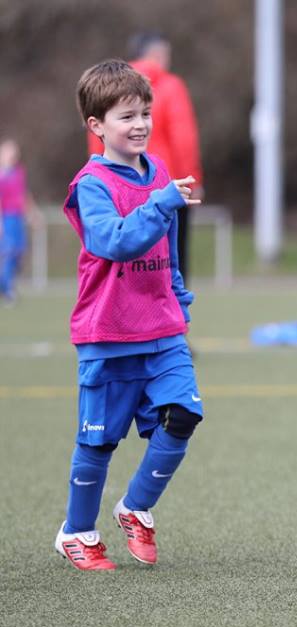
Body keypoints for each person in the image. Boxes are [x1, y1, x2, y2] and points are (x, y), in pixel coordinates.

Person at [55, 59, 202, 571]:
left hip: (163, 328)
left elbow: (168, 246)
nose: (140, 125)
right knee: (99, 442)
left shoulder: (157, 171)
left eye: (145, 113)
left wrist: (177, 294)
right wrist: (162, 203)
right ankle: (77, 533)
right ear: (96, 125)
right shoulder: (91, 185)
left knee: (184, 415)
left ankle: (136, 508)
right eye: (127, 116)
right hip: (109, 333)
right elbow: (113, 241)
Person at [87, 32, 203, 285]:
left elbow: (98, 138)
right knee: (172, 256)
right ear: (157, 55)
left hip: (118, 183)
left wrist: (98, 173)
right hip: (168, 184)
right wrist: (192, 179)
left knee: (123, 254)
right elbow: (184, 138)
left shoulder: (111, 90)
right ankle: (172, 303)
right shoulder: (171, 86)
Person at [0, 139, 38, 304]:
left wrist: (33, 213)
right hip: (6, 218)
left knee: (19, 253)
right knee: (8, 253)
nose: (13, 155)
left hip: (18, 218)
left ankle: (4, 285)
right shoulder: (1, 175)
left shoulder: (19, 172)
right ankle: (7, 289)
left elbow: (24, 195)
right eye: (9, 151)